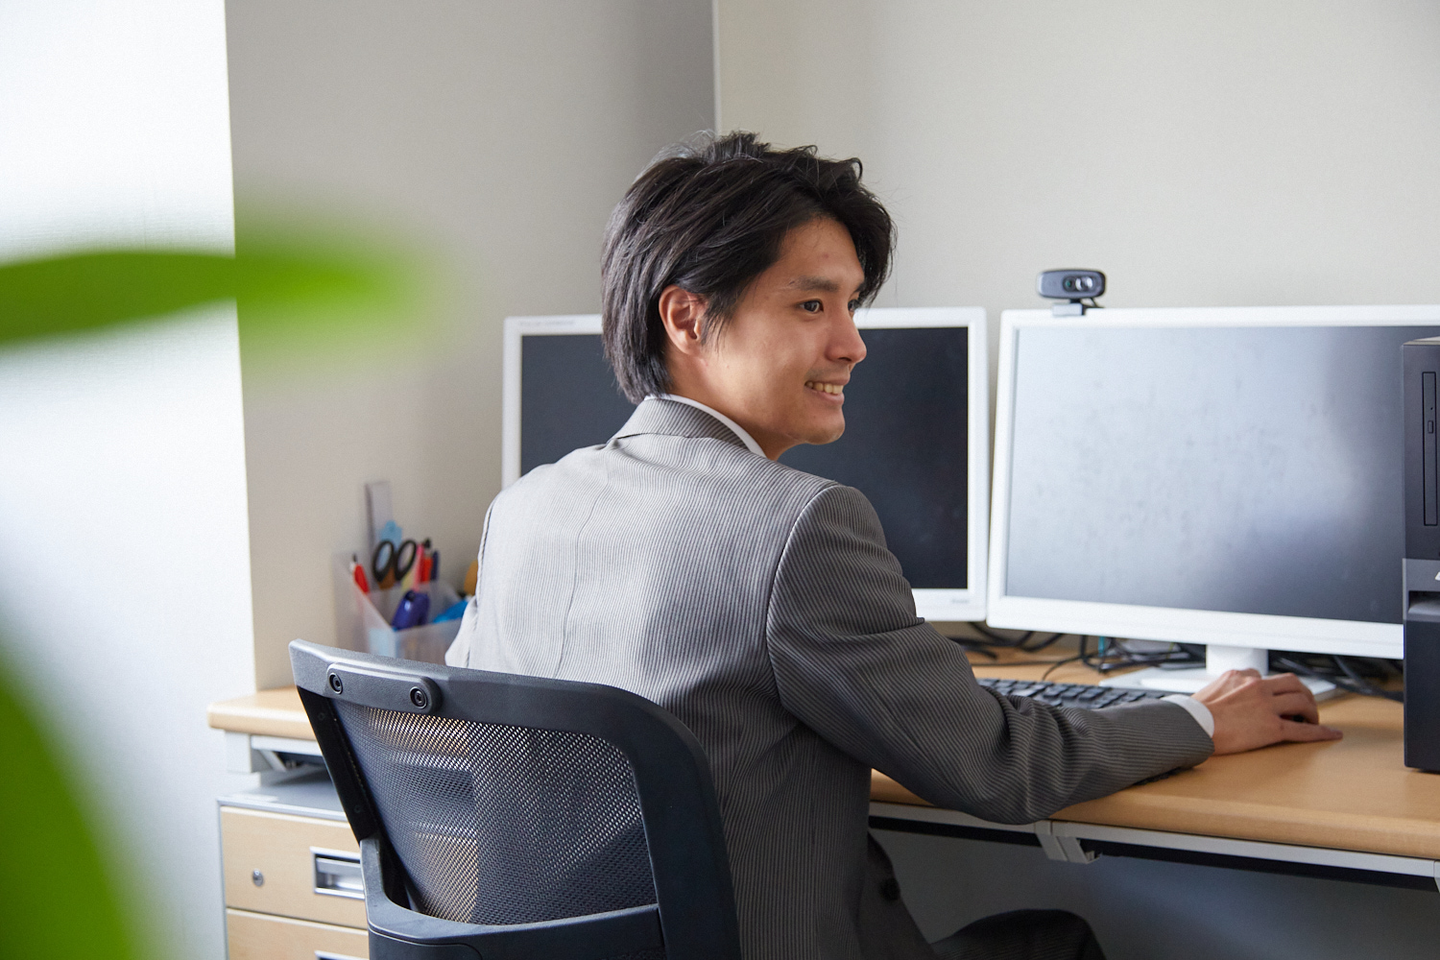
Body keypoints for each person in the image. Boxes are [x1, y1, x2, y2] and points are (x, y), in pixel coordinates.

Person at [445, 131, 1341, 960]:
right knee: (1057, 939)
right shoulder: (797, 525)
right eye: (811, 304)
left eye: (850, 305)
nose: (853, 344)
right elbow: (998, 766)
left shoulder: (521, 509)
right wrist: (1198, 720)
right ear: (686, 319)